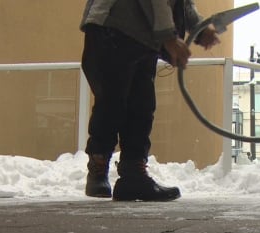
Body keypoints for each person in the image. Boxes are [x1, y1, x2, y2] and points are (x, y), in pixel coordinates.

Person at [80, 0, 220, 201]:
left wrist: (200, 28)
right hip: (113, 26)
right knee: (112, 101)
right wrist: (168, 36)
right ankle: (98, 167)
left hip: (144, 37)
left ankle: (133, 175)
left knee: (142, 107)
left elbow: (182, 3)